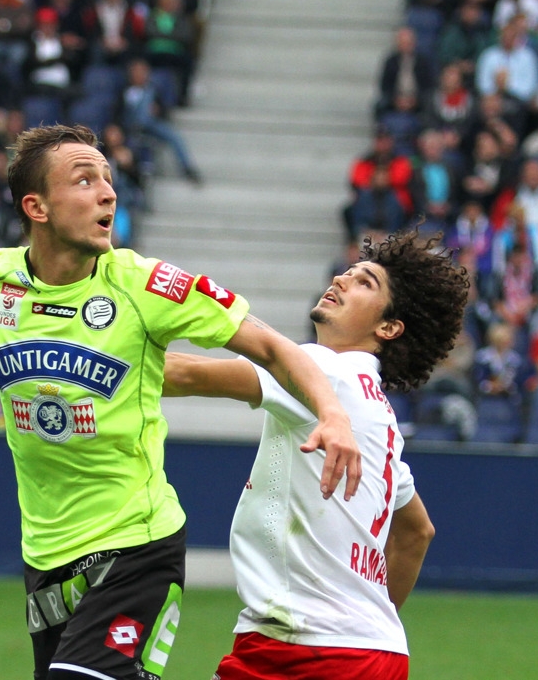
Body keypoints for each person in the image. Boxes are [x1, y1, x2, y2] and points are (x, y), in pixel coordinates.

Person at [0, 124, 361, 680]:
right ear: (36, 207)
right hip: (44, 553)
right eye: (85, 180)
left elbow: (274, 347)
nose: (108, 192)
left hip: (137, 544)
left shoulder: (146, 287)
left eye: (108, 180)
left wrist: (332, 414)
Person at [162, 229, 469, 680]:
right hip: (369, 649)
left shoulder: (326, 370)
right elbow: (416, 533)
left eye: (366, 282)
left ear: (388, 328)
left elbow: (184, 374)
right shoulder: (381, 414)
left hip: (305, 649)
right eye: (348, 272)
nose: (343, 279)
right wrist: (367, 623)